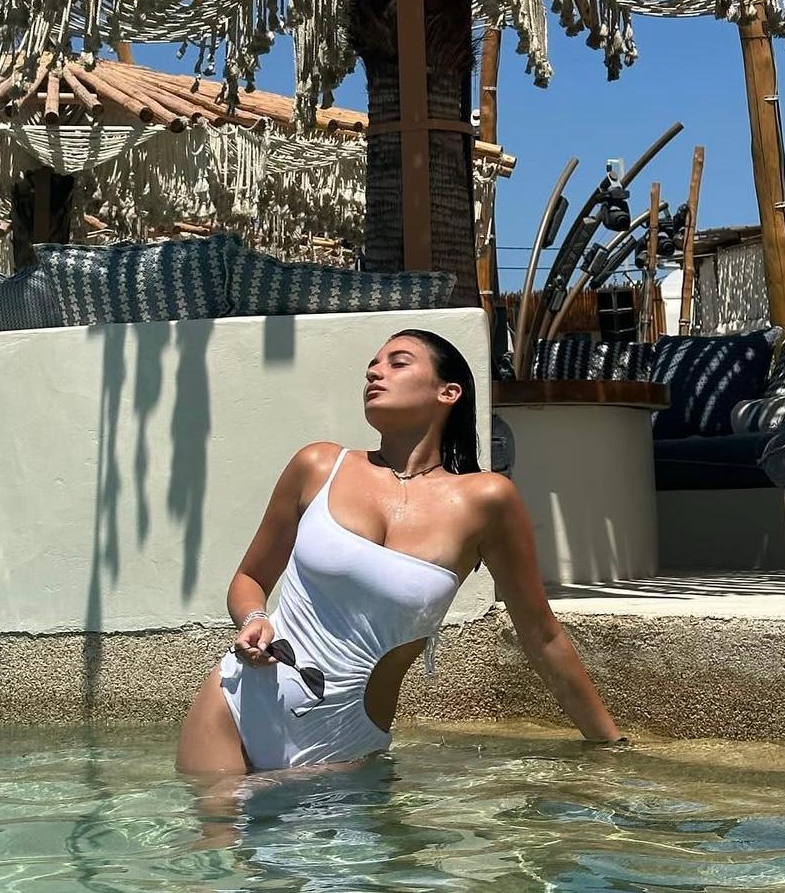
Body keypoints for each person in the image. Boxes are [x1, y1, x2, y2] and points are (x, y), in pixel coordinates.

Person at [176, 328, 625, 776]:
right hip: (238, 702)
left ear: (448, 392)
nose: (375, 372)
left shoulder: (485, 500)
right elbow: (250, 579)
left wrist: (612, 749)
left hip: (345, 743)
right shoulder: (318, 466)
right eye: (372, 365)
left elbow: (542, 636)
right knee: (207, 822)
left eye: (398, 362)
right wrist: (254, 619)